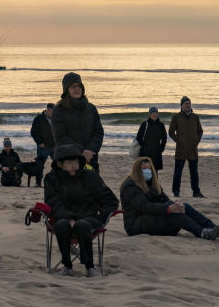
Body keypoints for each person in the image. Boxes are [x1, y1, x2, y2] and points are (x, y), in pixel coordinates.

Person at [43, 147, 119, 277]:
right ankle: (67, 266)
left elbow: (111, 200)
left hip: (88, 218)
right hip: (63, 218)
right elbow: (53, 203)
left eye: (76, 162)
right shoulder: (51, 179)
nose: (74, 166)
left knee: (81, 225)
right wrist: (69, 218)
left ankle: (89, 267)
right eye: (69, 163)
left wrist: (102, 218)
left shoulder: (90, 177)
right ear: (60, 164)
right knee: (61, 225)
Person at [120, 157, 219, 240]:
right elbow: (144, 206)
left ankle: (213, 229)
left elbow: (164, 199)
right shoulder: (130, 186)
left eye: (149, 169)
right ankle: (202, 233)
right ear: (137, 171)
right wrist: (168, 209)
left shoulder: (151, 183)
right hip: (135, 224)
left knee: (185, 207)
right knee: (172, 212)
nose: (147, 171)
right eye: (144, 169)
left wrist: (175, 205)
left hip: (151, 218)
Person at [52, 72, 104, 171]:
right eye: (73, 87)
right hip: (67, 158)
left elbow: (98, 132)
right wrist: (81, 152)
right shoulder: (58, 110)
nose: (77, 89)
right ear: (66, 90)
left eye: (79, 86)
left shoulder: (91, 108)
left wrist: (90, 150)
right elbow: (60, 136)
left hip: (90, 158)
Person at [169, 96, 204, 198]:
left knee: (194, 172)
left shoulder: (195, 117)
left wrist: (196, 141)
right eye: (186, 104)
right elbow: (171, 132)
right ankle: (176, 192)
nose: (188, 105)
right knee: (178, 172)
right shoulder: (176, 117)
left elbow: (200, 131)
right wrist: (178, 141)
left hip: (193, 149)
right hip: (181, 149)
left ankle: (196, 192)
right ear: (181, 105)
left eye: (189, 103)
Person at [136, 106, 168, 172]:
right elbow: (138, 137)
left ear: (157, 114)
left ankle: (154, 183)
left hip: (156, 152)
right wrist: (143, 147)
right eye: (152, 113)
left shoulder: (161, 125)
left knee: (154, 172)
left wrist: (161, 149)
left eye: (155, 113)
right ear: (150, 114)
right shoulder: (145, 124)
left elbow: (164, 138)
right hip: (145, 153)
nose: (154, 114)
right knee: (145, 172)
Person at [30, 102, 56, 177]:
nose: (51, 112)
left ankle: (56, 179)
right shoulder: (39, 119)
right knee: (39, 165)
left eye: (53, 111)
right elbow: (33, 132)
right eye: (50, 110)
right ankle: (38, 182)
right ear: (47, 109)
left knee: (58, 163)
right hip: (43, 146)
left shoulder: (56, 118)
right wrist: (39, 142)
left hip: (54, 146)